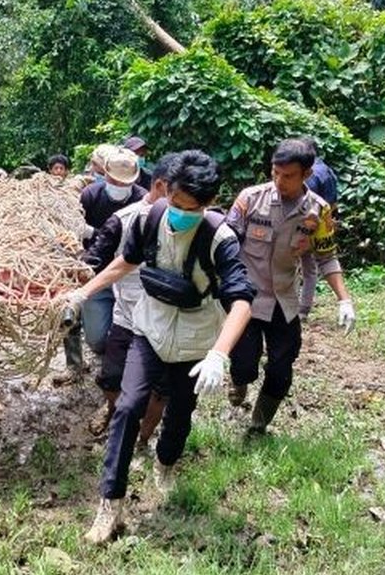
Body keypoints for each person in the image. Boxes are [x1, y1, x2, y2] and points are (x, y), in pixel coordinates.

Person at [63, 150, 256, 545]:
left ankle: (166, 464)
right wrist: (83, 293)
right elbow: (124, 262)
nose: (182, 212)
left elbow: (241, 302)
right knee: (128, 407)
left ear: (208, 203)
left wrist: (219, 354)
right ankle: (110, 504)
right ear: (166, 190)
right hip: (147, 332)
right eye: (177, 203)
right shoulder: (150, 220)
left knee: (180, 415)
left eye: (193, 208)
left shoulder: (219, 239)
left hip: (196, 343)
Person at [226, 139, 356, 436]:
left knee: (282, 369)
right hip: (246, 297)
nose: (279, 181)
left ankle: (258, 425)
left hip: (284, 300)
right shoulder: (250, 199)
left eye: (288, 176)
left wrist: (344, 300)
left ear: (307, 175)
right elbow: (226, 244)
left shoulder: (318, 212)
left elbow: (326, 256)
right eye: (275, 173)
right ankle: (239, 380)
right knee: (244, 362)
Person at [80, 153, 176, 438]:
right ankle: (113, 410)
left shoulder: (194, 223)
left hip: (166, 319)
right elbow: (95, 260)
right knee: (110, 376)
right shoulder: (123, 218)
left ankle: (142, 437)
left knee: (160, 388)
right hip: (127, 312)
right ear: (160, 185)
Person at [60, 147, 146, 384]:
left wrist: (96, 233)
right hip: (95, 273)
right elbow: (72, 235)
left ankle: (119, 368)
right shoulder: (90, 195)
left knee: (133, 330)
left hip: (131, 275)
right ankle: (88, 359)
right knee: (96, 339)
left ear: (135, 178)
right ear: (104, 174)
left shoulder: (143, 199)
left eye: (123, 181)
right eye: (113, 179)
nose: (117, 184)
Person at [298, 136, 338, 320]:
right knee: (311, 266)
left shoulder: (300, 169)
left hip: (297, 221)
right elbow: (331, 203)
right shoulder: (325, 172)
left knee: (303, 265)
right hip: (317, 224)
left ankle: (300, 308)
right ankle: (303, 308)